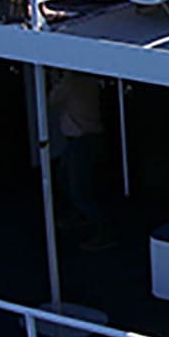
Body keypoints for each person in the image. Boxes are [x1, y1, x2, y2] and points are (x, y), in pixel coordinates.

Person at [49, 71, 111, 251]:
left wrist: (54, 82)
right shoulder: (90, 81)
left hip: (81, 141)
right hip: (88, 139)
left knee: (80, 190)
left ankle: (104, 231)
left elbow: (52, 100)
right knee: (65, 178)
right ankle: (80, 216)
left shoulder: (69, 84)